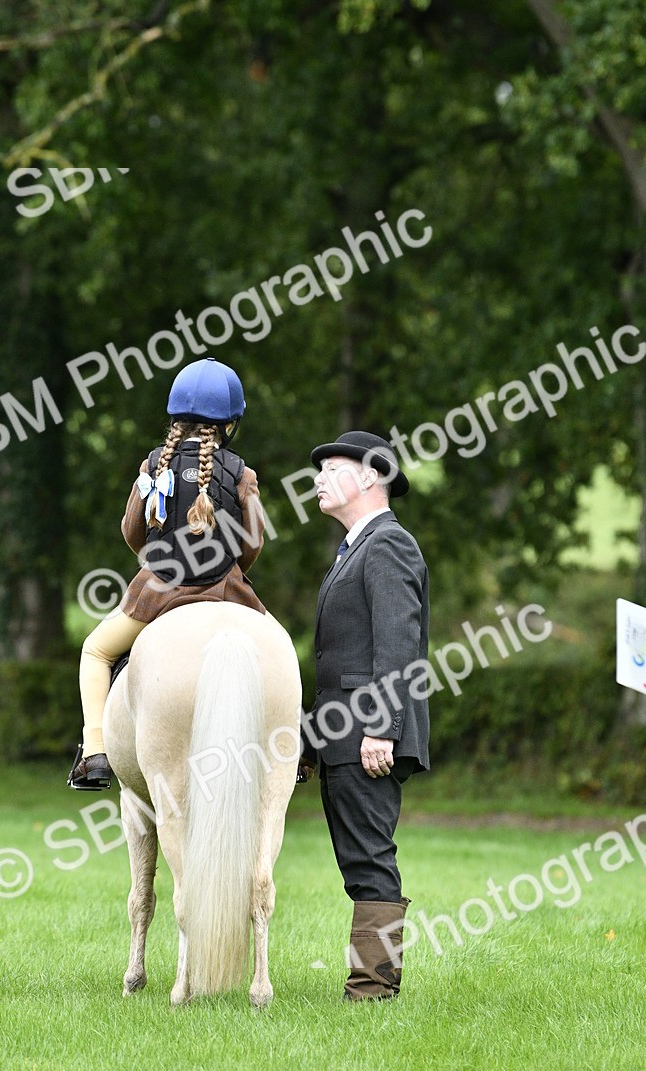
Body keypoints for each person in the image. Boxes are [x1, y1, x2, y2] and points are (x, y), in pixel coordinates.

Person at [68, 357, 266, 790]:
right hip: (227, 590)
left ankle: (96, 753)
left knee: (95, 652)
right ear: (230, 424)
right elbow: (252, 544)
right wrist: (230, 574)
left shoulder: (154, 467)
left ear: (177, 418)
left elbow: (133, 533)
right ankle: (302, 742)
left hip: (158, 591)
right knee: (278, 651)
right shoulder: (242, 473)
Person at [299, 430, 430, 1001]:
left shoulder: (389, 545)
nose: (319, 478)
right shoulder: (356, 547)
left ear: (371, 476)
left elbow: (396, 644)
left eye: (333, 468)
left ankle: (374, 989)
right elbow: (338, 656)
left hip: (367, 733)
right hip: (340, 733)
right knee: (358, 857)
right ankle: (371, 982)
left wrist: (381, 726)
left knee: (370, 856)